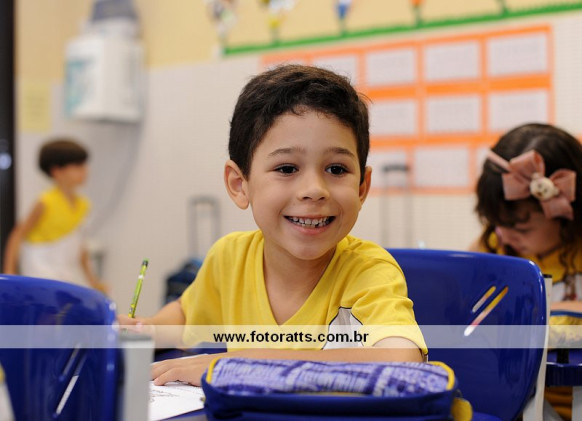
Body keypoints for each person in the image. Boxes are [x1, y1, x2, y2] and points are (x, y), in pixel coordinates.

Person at [119, 64, 427, 386]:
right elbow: (187, 315)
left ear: (362, 188)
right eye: (287, 168)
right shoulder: (230, 258)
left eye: (336, 169)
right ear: (240, 184)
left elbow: (402, 361)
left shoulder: (368, 272)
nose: (314, 190)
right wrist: (146, 331)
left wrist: (243, 362)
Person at [470, 122, 582, 420]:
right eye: (496, 223)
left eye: (521, 228)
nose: (505, 236)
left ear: (567, 214)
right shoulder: (494, 246)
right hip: (510, 402)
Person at [2, 138, 107, 293]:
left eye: (84, 165)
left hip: (65, 273)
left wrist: (93, 280)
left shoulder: (83, 205)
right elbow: (17, 235)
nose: (85, 170)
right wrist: (9, 272)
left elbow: (80, 246)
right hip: (40, 271)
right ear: (57, 171)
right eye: (77, 165)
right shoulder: (45, 202)